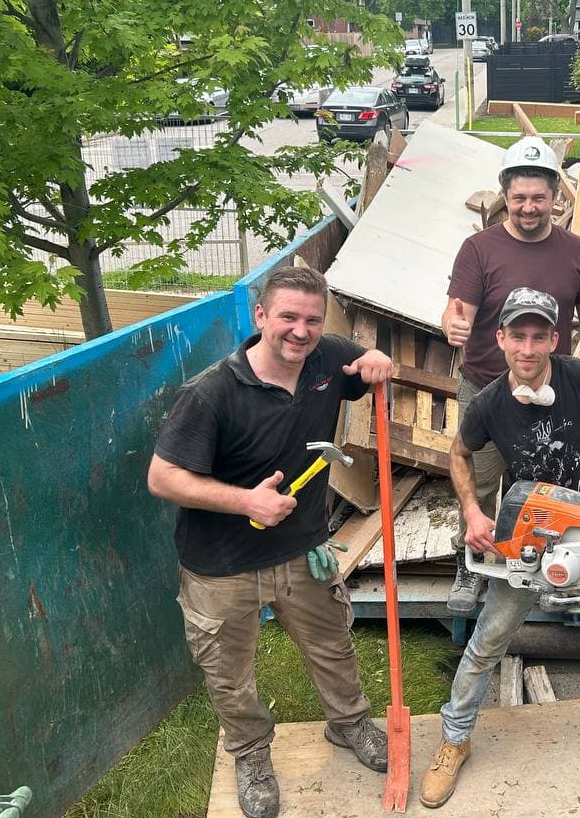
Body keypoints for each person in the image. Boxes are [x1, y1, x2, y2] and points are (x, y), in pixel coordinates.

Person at [147, 265, 395, 818]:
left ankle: (350, 725)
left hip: (302, 550)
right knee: (229, 671)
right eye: (287, 317)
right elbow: (162, 478)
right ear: (260, 317)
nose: (300, 332)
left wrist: (377, 363)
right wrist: (246, 501)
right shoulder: (210, 393)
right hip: (221, 565)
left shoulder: (327, 360)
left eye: (311, 319)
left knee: (333, 646)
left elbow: (365, 366)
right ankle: (252, 754)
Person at [420, 287, 580, 809]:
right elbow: (459, 455)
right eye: (517, 336)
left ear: (555, 338)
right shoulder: (488, 403)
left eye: (538, 336)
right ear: (500, 338)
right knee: (489, 638)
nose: (527, 349)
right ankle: (454, 739)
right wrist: (473, 511)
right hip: (531, 530)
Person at [441, 135, 580, 614]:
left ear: (556, 196)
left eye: (539, 197)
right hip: (489, 390)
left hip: (554, 392)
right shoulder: (479, 249)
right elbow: (457, 311)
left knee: (552, 479)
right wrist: (451, 324)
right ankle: (469, 558)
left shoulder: (576, 251)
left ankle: (549, 563)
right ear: (505, 197)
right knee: (480, 477)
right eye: (519, 198)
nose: (530, 207)